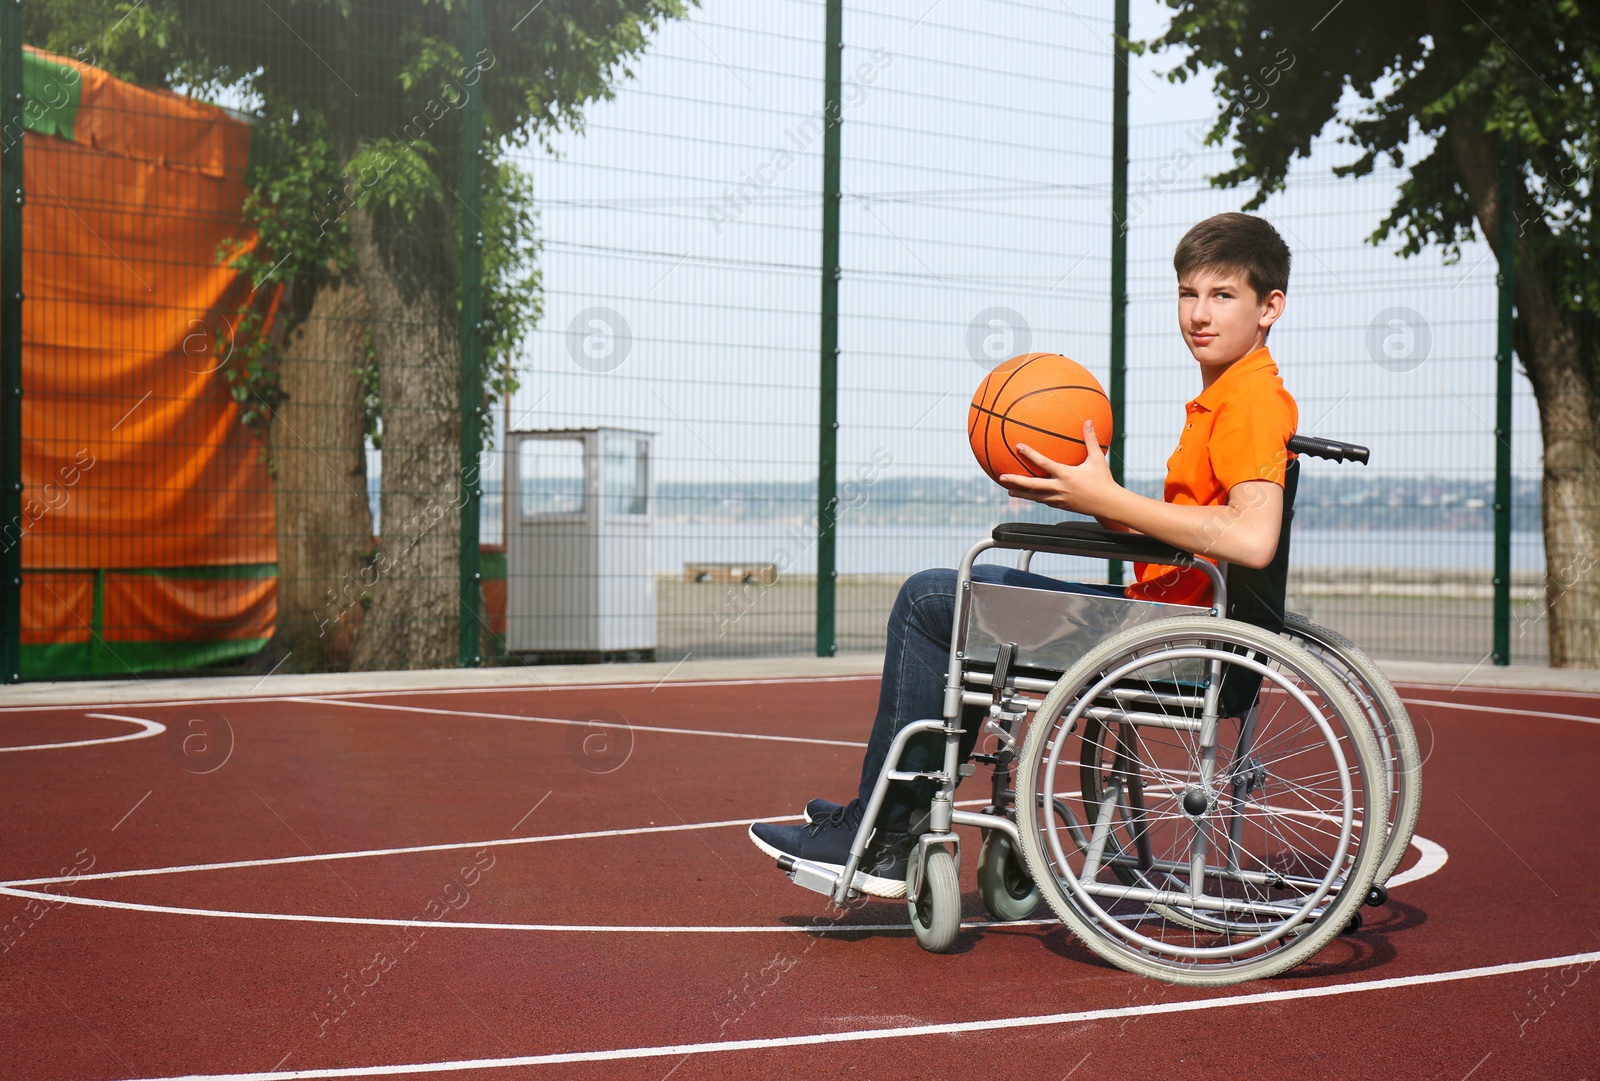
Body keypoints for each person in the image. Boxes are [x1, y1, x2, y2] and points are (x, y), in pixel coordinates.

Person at [747, 212, 1300, 898]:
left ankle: (887, 835)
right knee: (967, 606)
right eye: (1188, 293)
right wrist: (1089, 499)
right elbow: (1191, 535)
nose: (1198, 313)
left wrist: (1109, 496)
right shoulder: (1229, 396)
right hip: (1170, 623)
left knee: (931, 600)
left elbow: (1252, 537)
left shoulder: (1248, 401)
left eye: (1223, 296)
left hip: (1172, 639)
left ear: (1269, 306)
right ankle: (893, 817)